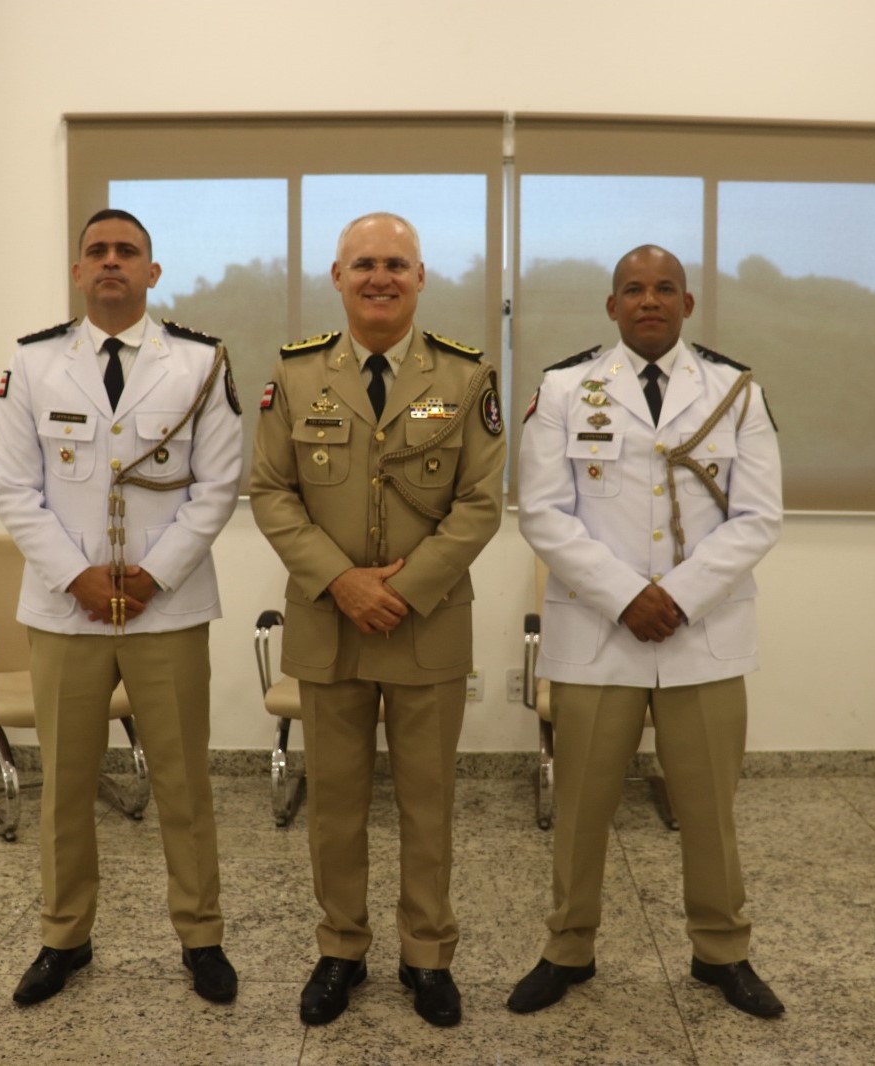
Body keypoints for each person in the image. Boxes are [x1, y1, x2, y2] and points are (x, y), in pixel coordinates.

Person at [509, 244, 784, 1019]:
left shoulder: (735, 390)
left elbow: (759, 516)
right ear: (612, 306)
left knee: (711, 810)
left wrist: (679, 597)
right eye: (633, 289)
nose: (649, 300)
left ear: (687, 304)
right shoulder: (565, 389)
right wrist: (628, 596)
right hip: (600, 636)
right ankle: (567, 949)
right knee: (581, 809)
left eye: (665, 288)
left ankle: (721, 951)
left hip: (703, 637)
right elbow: (542, 513)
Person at [249, 212, 505, 1028]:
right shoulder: (295, 375)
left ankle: (428, 956)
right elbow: (271, 492)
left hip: (427, 624)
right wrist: (343, 583)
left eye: (397, 263)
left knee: (428, 804)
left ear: (421, 278)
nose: (380, 277)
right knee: (335, 803)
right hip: (330, 625)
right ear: (338, 277)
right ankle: (341, 949)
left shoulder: (466, 375)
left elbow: (481, 503)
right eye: (364, 264)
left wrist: (405, 587)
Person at [0, 208, 242, 1007]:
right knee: (64, 786)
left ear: (151, 272)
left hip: (168, 609)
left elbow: (218, 487)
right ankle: (64, 937)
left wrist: (152, 576)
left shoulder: (200, 362)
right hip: (67, 612)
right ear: (77, 270)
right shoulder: (34, 363)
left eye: (126, 251)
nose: (110, 262)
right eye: (96, 251)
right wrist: (80, 577)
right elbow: (13, 489)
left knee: (183, 782)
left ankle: (201, 938)